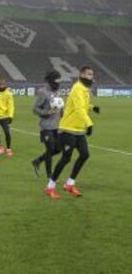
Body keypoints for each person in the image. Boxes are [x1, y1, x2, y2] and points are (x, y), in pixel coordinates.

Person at [45, 66, 101, 199]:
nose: (91, 76)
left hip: (78, 129)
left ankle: (69, 184)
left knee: (84, 155)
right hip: (68, 128)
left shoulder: (84, 89)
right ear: (81, 74)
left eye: (92, 74)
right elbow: (79, 109)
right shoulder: (77, 88)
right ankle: (50, 186)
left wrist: (92, 108)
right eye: (88, 74)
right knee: (66, 158)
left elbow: (83, 105)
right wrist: (89, 124)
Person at [31, 70, 63, 178]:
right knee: (49, 149)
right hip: (46, 126)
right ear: (51, 80)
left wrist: (64, 116)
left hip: (57, 126)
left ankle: (38, 160)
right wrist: (46, 113)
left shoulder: (58, 91)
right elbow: (35, 109)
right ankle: (50, 176)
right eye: (57, 80)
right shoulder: (43, 92)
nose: (59, 83)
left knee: (58, 149)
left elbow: (60, 106)